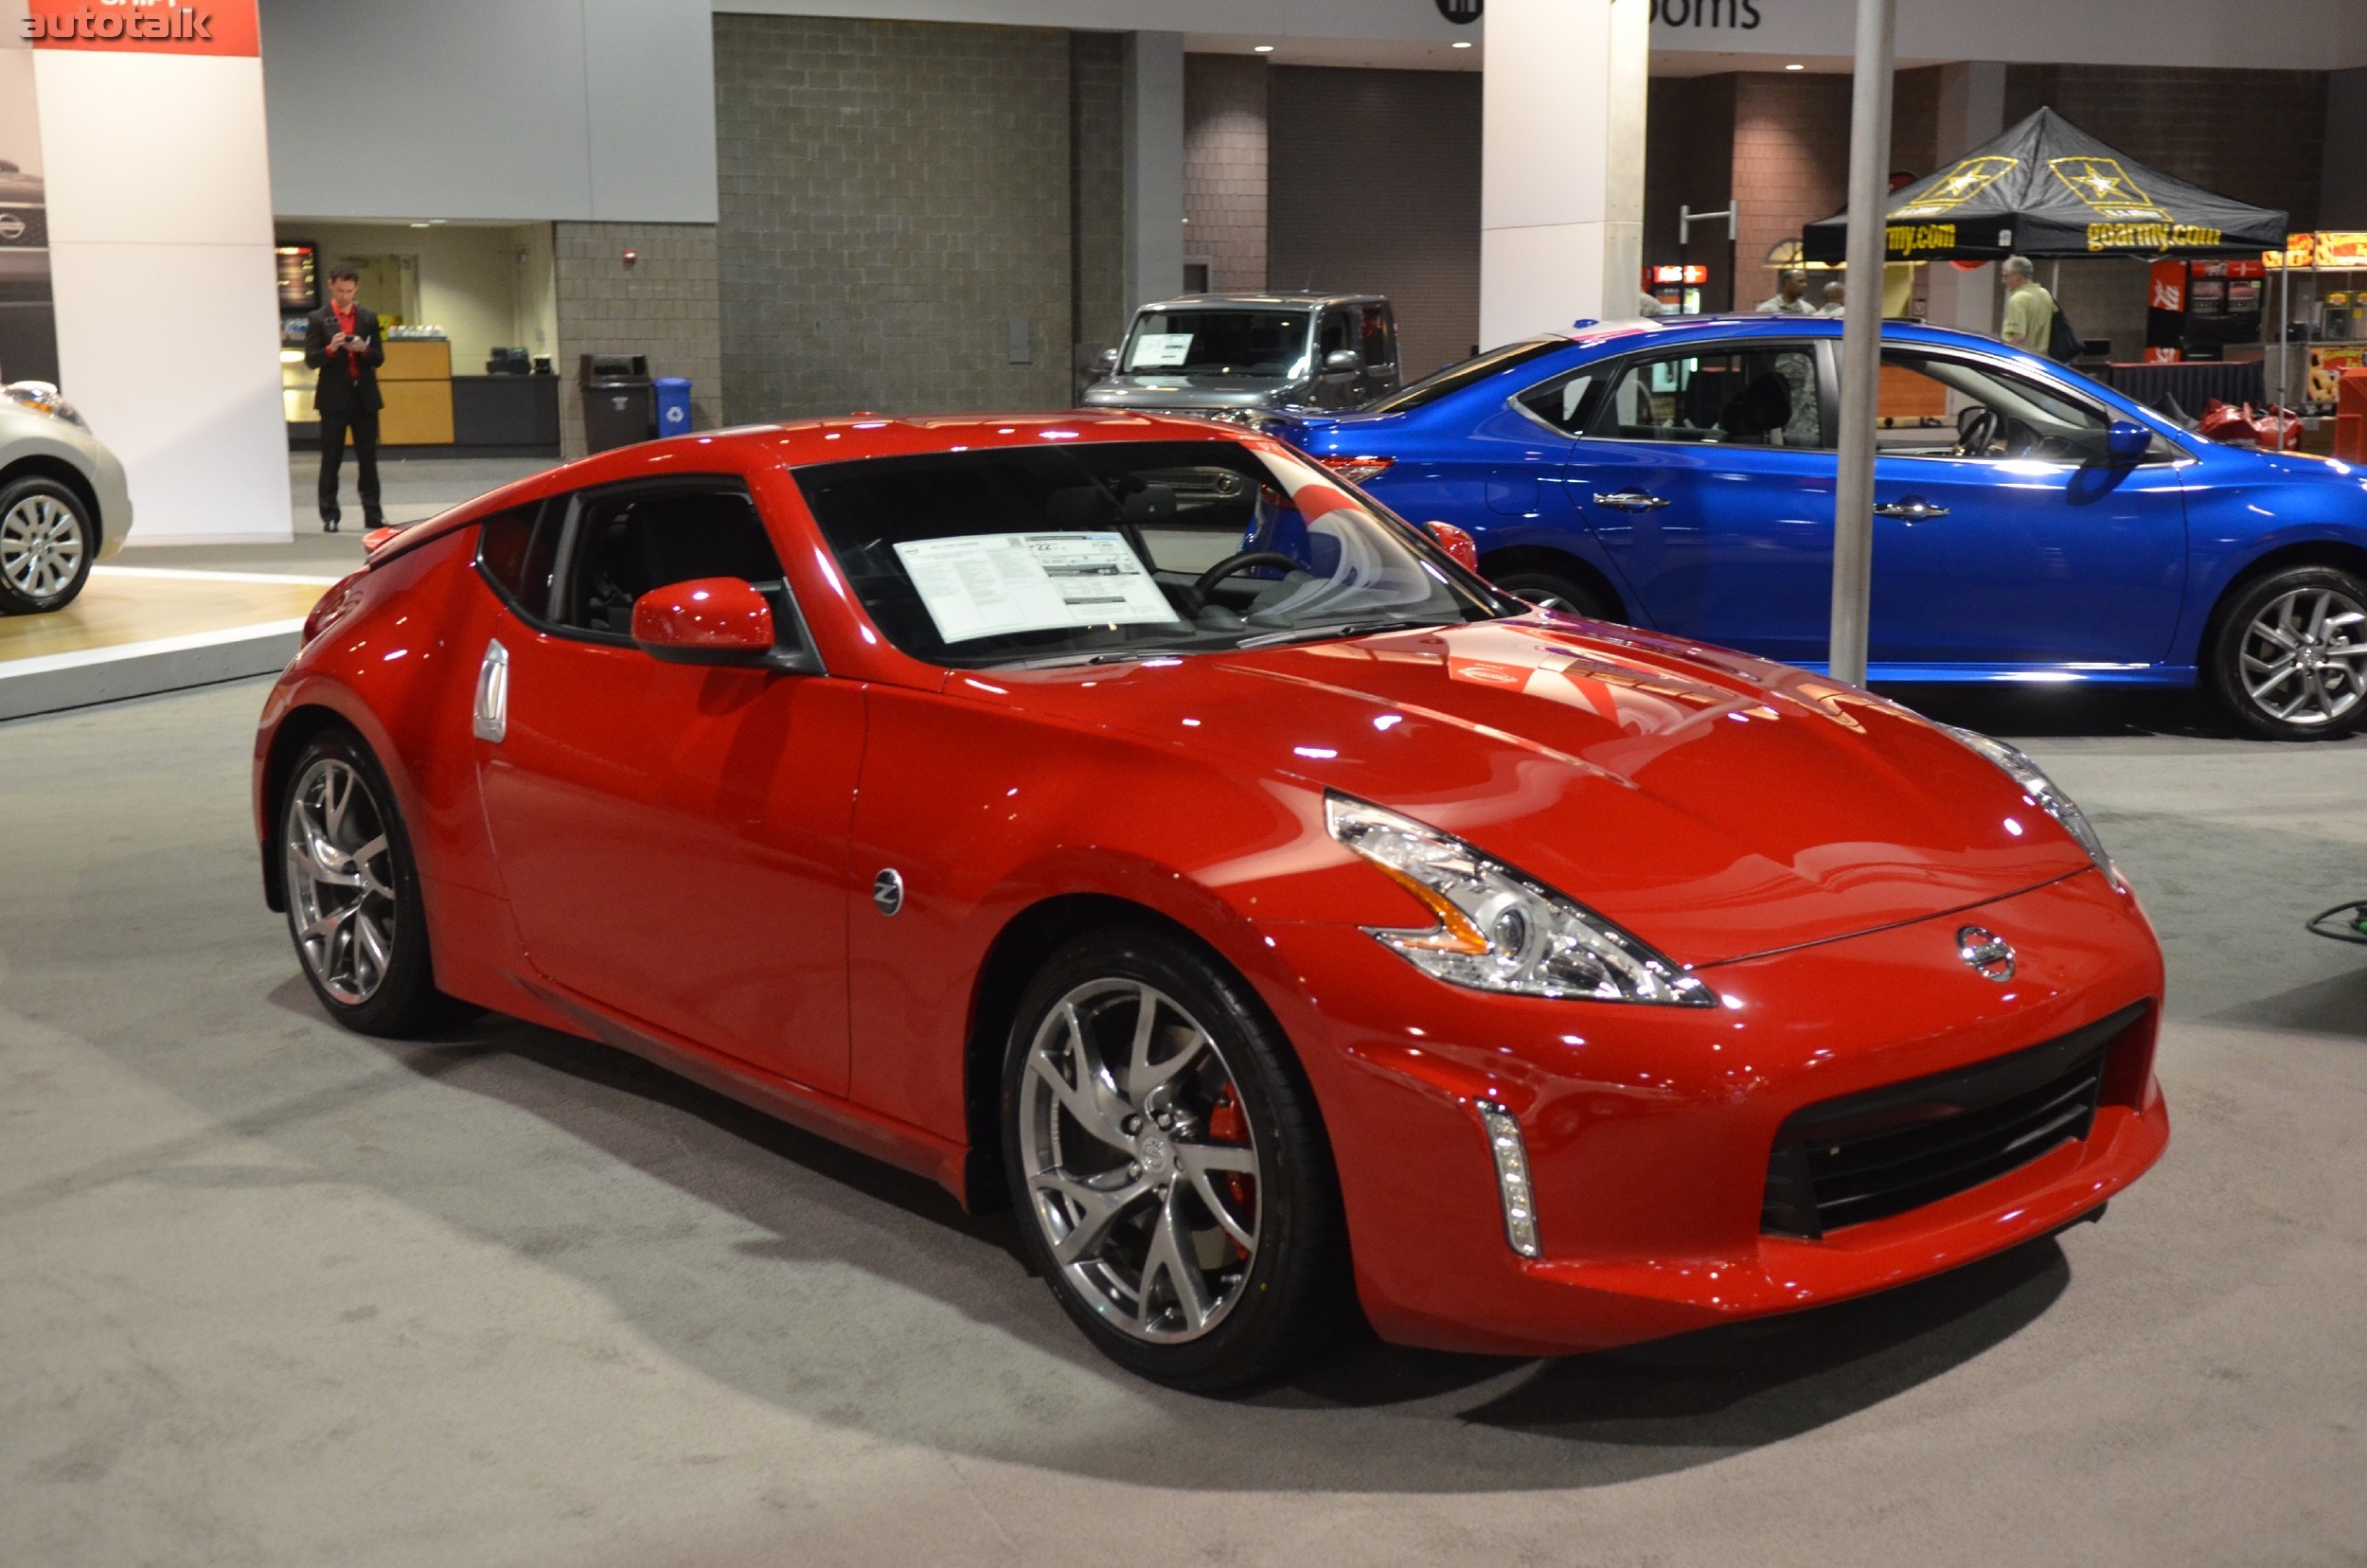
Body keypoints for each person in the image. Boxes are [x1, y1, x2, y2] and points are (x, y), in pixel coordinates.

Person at [303, 266, 385, 533]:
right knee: (331, 458)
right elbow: (311, 359)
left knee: (368, 458)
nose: (345, 296)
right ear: (331, 286)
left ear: (356, 288)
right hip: (333, 398)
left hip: (364, 398)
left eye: (349, 291)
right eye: (340, 290)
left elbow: (379, 358)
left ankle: (373, 514)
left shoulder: (368, 317)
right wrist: (331, 348)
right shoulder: (318, 318)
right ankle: (329, 515)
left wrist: (363, 350)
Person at [1999, 255, 2056, 354]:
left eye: (2005, 276)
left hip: (2021, 359)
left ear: (2018, 277)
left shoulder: (2018, 299)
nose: (2003, 281)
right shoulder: (2045, 294)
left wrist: (2001, 353)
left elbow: (2019, 336)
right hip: (2043, 359)